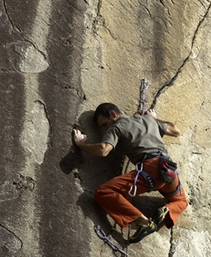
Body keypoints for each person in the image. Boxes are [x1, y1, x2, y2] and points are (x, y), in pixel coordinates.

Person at [73, 103, 187, 243]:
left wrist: (81, 145)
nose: (105, 129)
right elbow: (176, 131)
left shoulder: (116, 127)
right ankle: (167, 210)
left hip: (149, 170)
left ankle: (144, 222)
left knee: (103, 192)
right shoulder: (149, 120)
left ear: (114, 115)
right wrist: (154, 119)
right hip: (168, 170)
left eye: (104, 124)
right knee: (181, 201)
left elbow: (103, 150)